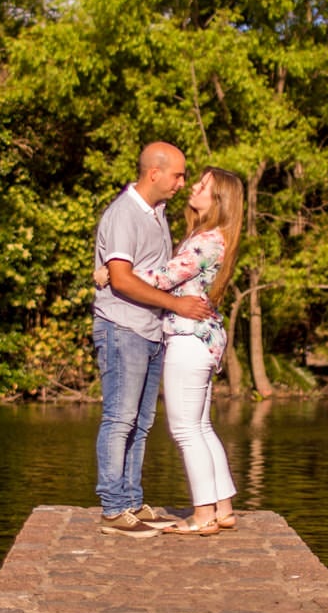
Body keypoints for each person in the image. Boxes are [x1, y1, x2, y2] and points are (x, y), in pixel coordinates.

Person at [95, 166, 244, 536]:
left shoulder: (206, 241)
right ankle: (222, 508)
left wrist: (112, 273)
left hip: (188, 337)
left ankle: (203, 515)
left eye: (202, 185)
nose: (192, 187)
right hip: (203, 338)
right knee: (202, 427)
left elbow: (164, 276)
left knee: (186, 430)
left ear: (218, 199)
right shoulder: (211, 236)